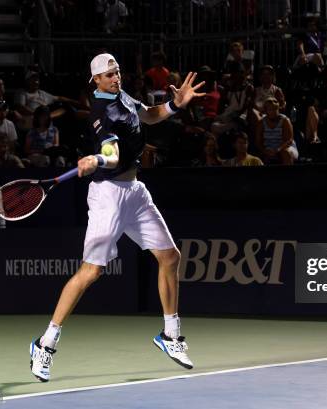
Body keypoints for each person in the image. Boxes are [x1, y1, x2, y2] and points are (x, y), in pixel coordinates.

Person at [29, 53, 204, 382]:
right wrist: (96, 158)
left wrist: (175, 105)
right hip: (108, 197)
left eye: (117, 71)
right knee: (91, 272)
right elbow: (111, 156)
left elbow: (149, 116)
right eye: (108, 75)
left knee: (169, 257)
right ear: (95, 80)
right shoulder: (101, 111)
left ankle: (170, 335)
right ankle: (44, 343)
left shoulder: (121, 95)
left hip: (135, 192)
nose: (115, 77)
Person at [255, 97, 297, 165]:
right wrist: (265, 151)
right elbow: (258, 142)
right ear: (266, 111)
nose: (274, 112)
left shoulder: (285, 120)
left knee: (285, 153)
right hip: (268, 149)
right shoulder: (261, 123)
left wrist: (278, 149)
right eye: (270, 109)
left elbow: (289, 140)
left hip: (285, 148)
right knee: (263, 156)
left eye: (275, 109)